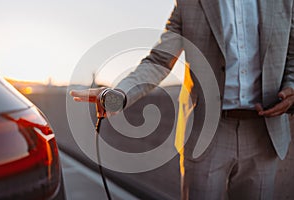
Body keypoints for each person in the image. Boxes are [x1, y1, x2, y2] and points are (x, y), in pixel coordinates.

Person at [70, 0, 294, 199]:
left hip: (264, 134)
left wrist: (291, 86)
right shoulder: (189, 3)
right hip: (206, 133)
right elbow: (159, 60)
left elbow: (292, 54)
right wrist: (120, 95)